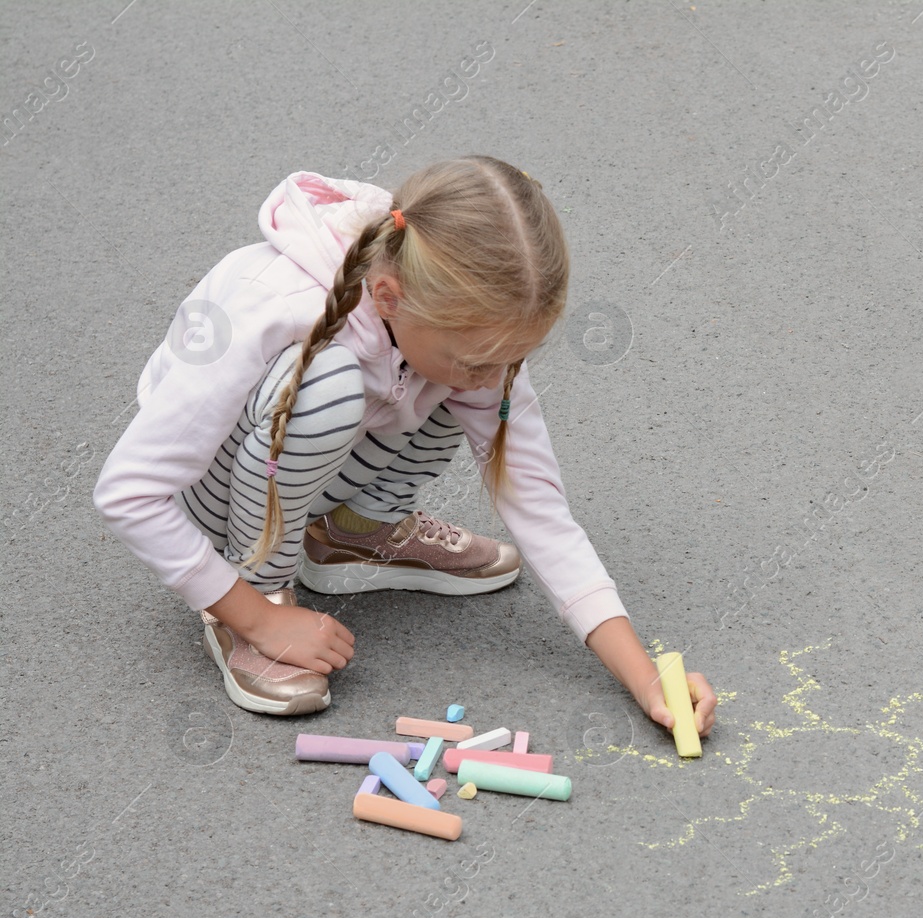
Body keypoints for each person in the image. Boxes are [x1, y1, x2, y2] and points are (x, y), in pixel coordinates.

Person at [93, 157, 716, 743]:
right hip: (216, 497)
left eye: (513, 357)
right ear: (387, 297)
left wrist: (644, 674)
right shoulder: (275, 304)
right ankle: (257, 588)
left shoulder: (464, 333)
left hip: (306, 471)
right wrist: (256, 615)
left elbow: (540, 509)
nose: (494, 374)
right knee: (331, 385)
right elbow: (128, 491)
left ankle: (354, 531)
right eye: (477, 358)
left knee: (462, 393)